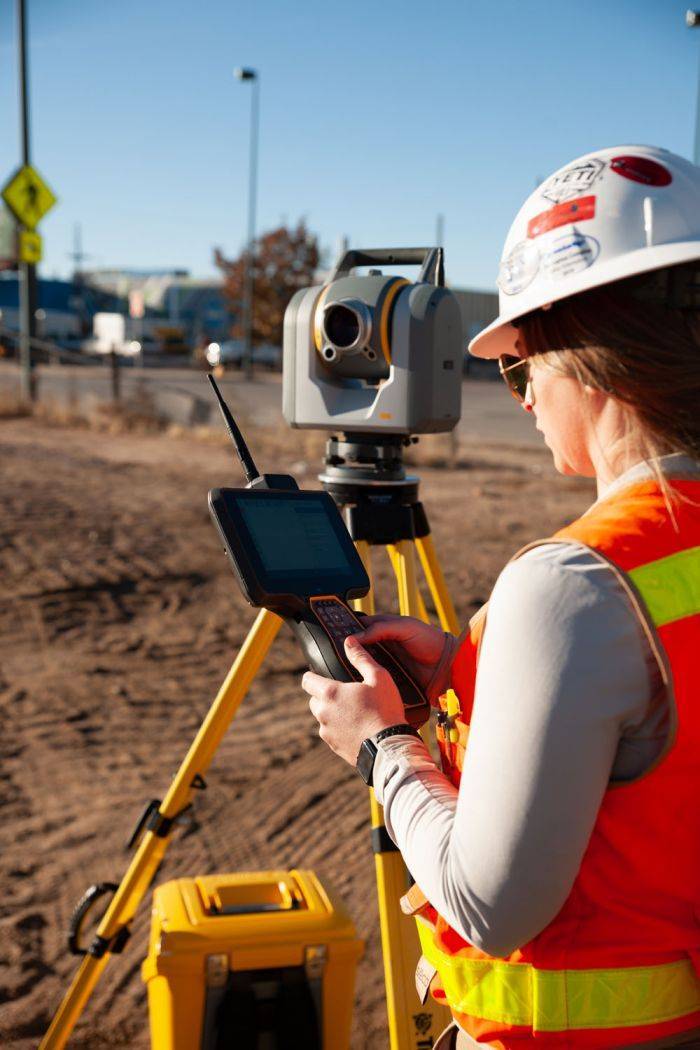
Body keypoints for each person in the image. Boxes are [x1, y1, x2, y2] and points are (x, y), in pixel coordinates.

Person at [302, 145, 700, 1049]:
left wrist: (383, 745)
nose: (520, 400)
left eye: (520, 365)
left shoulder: (576, 585)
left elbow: (492, 907)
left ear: (583, 355)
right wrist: (476, 670)